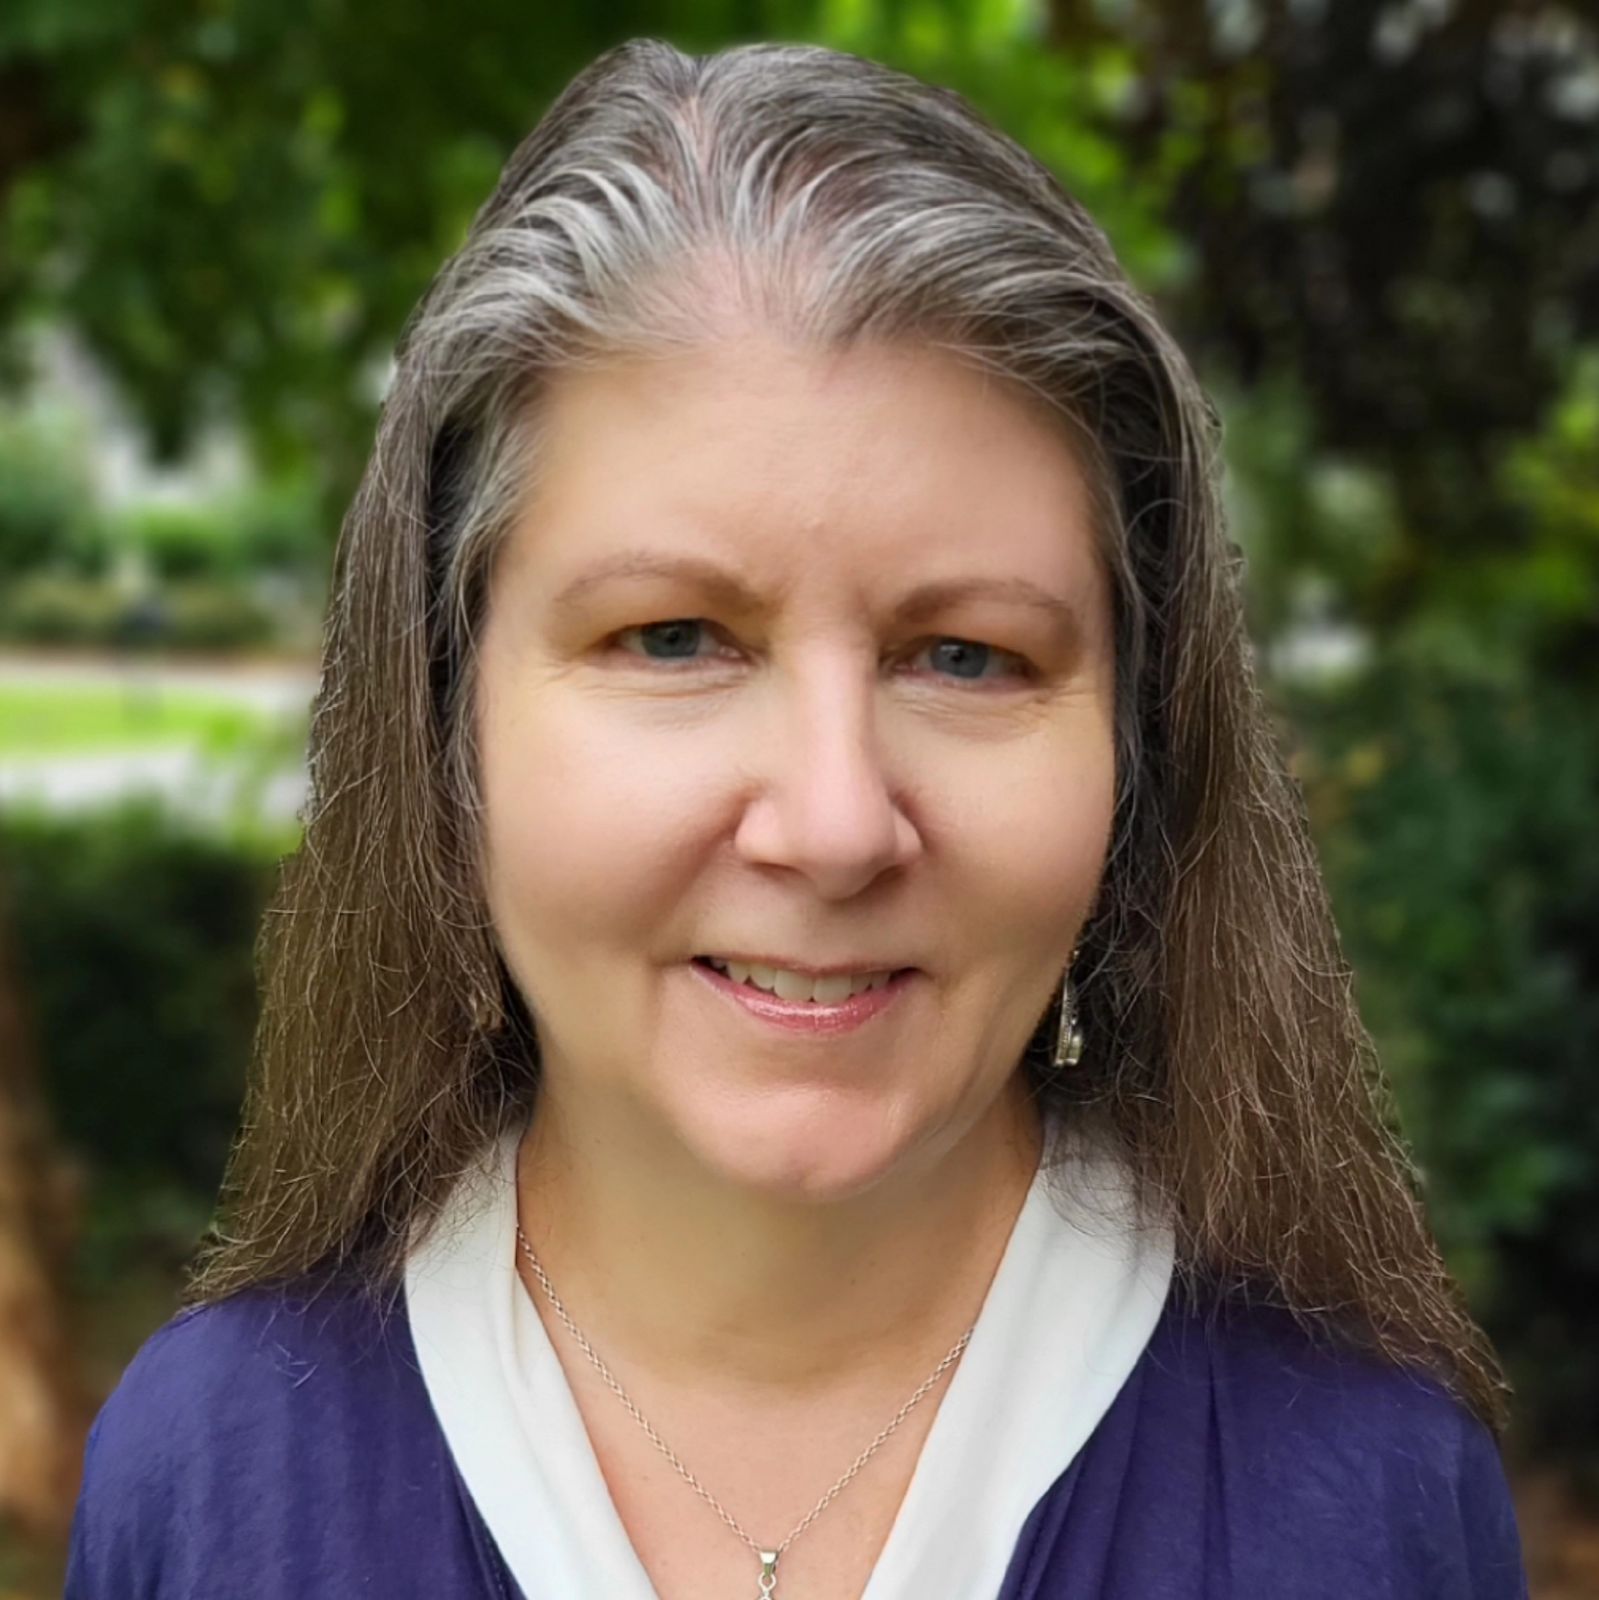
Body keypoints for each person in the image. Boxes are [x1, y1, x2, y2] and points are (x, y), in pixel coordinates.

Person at [63, 36, 1529, 1600]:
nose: (835, 826)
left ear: (1139, 748)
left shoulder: (1366, 1504)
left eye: (968, 656)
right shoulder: (217, 1483)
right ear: (446, 721)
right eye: (675, 639)